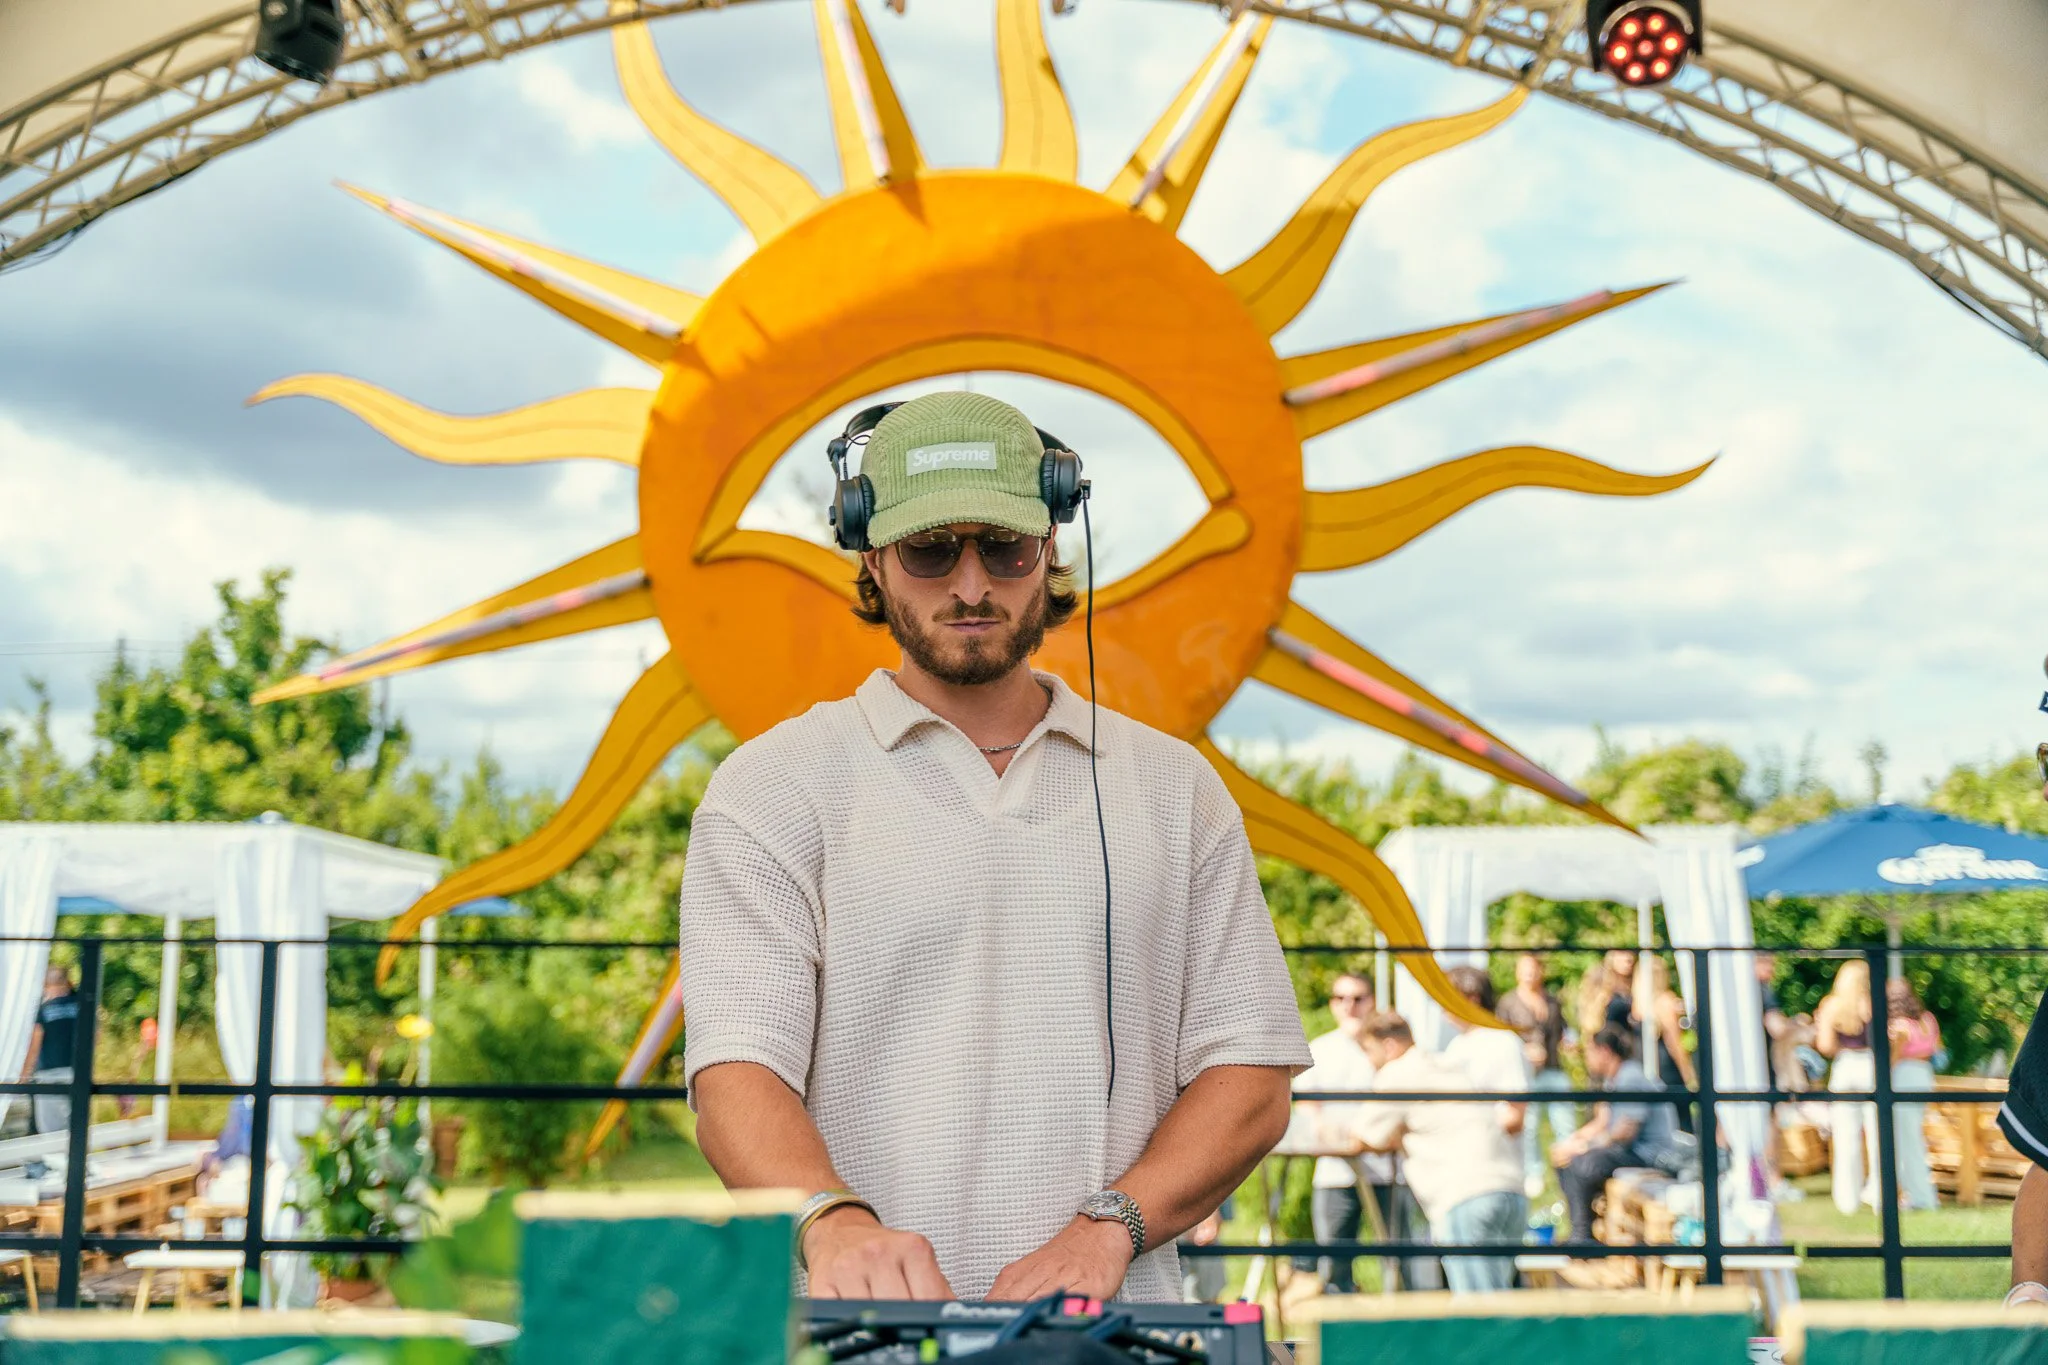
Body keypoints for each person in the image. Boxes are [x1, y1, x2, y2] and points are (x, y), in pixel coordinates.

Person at [677, 392, 1310, 1303]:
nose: (971, 586)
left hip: (1112, 1332)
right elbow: (737, 1070)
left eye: (1004, 549)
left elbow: (1251, 1072)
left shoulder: (1175, 788)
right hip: (867, 1338)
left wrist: (1109, 1229)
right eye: (931, 550)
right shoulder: (769, 788)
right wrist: (832, 1222)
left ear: (1050, 543)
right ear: (871, 552)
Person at [1348, 1012, 1527, 1294]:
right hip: (1510, 1191)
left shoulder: (1397, 1073)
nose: (1369, 1062)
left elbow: (1361, 1138)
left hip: (1464, 1196)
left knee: (1480, 1310)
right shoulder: (1447, 1064)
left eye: (1369, 1052)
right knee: (1497, 1298)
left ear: (1390, 1046)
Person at [1291, 973, 1393, 1296]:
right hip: (1335, 1172)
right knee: (1334, 1263)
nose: (1350, 1006)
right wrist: (1337, 1137)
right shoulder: (1320, 1050)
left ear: (1372, 1001)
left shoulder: (1389, 1048)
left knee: (1397, 1262)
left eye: (1358, 998)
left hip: (1388, 1171)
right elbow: (1306, 1109)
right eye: (1341, 998)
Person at [1549, 1025, 1678, 1247]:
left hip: (1650, 1153)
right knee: (1568, 1160)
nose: (1587, 1058)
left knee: (1582, 1164)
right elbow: (1603, 1122)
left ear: (1605, 1051)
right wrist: (1570, 1143)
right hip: (1630, 1150)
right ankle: (1581, 1231)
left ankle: (1582, 1237)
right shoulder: (1615, 1078)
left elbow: (1626, 1131)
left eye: (1590, 1051)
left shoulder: (1629, 1077)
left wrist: (1585, 1146)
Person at [1495, 953, 1574, 1197]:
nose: (1530, 973)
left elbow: (1564, 1029)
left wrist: (1569, 1042)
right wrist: (1523, 1050)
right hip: (1524, 1073)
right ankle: (1533, 1174)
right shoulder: (1507, 1003)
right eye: (1525, 968)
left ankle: (1569, 1167)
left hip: (1553, 1068)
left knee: (1565, 1120)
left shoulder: (1552, 1001)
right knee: (1528, 1126)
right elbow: (1499, 1036)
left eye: (1534, 968)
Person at [1816, 959, 1880, 1216]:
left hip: (1845, 1066)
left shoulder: (1831, 1005)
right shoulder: (1873, 1004)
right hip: (1870, 1064)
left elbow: (1825, 1046)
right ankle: (1878, 1194)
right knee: (1877, 1134)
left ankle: (1846, 1199)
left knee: (1845, 1136)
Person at [1885, 978, 1941, 1212]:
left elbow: (1894, 1058)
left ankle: (1922, 1197)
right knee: (1914, 1136)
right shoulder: (1927, 1019)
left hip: (1905, 1076)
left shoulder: (1899, 1026)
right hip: (1925, 1075)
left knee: (1908, 1140)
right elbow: (1937, 1050)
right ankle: (1916, 1193)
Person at [1637, 957, 1698, 1135]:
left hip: (1645, 1065)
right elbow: (1674, 1042)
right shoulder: (1664, 1001)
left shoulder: (1637, 1005)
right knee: (1681, 1125)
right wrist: (1688, 1073)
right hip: (1667, 1069)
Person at [20, 965, 80, 1136]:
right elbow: (95, 1036)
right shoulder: (81, 1004)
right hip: (76, 1071)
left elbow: (35, 1043)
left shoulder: (44, 1009)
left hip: (49, 1073)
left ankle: (55, 1161)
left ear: (47, 985)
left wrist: (25, 1074)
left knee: (50, 1128)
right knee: (74, 1123)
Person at [1576, 950, 1637, 1042]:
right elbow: (1590, 1021)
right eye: (1622, 953)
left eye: (1631, 953)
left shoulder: (1637, 984)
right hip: (1606, 1044)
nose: (1629, 958)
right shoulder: (1600, 980)